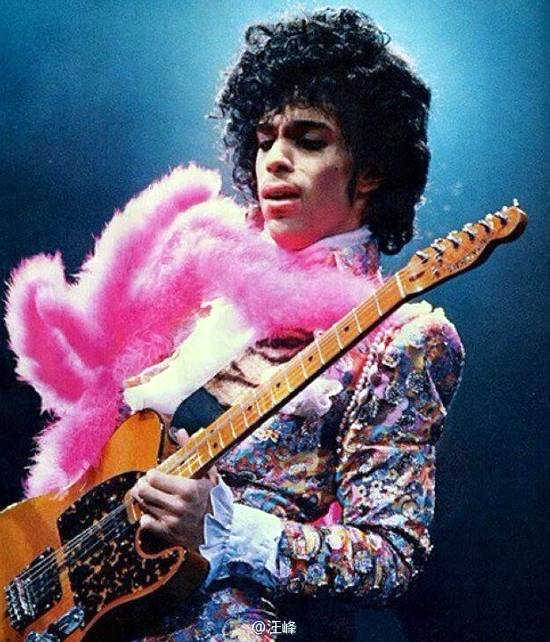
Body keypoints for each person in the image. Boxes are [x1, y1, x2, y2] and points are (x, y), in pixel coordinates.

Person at [5, 8, 464, 642]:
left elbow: (391, 559)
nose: (274, 160)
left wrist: (227, 528)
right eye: (264, 138)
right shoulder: (196, 294)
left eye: (309, 140)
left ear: (372, 170)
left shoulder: (402, 338)